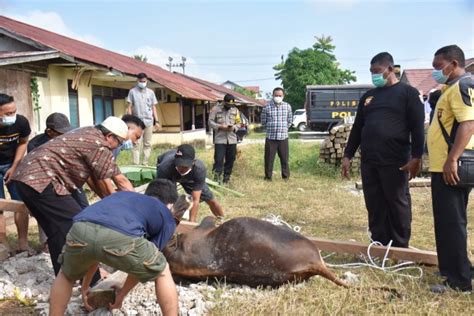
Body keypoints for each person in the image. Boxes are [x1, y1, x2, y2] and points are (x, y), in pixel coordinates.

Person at [12, 116, 135, 278]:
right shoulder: (99, 145)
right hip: (42, 180)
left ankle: (64, 277)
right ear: (110, 137)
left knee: (57, 231)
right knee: (79, 226)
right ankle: (92, 279)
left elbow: (95, 181)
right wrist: (135, 208)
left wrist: (111, 202)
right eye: (119, 143)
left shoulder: (86, 133)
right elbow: (121, 181)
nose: (117, 147)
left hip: (25, 179)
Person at [49, 179, 192, 315]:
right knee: (162, 270)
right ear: (170, 204)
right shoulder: (166, 215)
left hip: (80, 227)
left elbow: (93, 253)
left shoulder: (123, 196)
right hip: (120, 235)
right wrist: (122, 294)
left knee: (66, 275)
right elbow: (145, 264)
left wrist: (86, 288)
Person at [342, 52, 425, 248]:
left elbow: (417, 128)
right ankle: (379, 243)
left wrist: (417, 157)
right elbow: (357, 128)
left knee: (397, 203)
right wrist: (347, 155)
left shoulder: (408, 94)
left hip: (396, 161)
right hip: (369, 160)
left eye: (377, 71)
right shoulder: (369, 97)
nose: (374, 75)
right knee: (375, 203)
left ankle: (400, 246)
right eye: (371, 72)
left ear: (390, 69)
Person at [427, 45, 473, 293]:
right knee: (447, 222)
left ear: (453, 64)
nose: (436, 71)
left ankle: (459, 281)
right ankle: (453, 268)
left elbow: (468, 124)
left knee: (452, 223)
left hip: (451, 166)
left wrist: (452, 159)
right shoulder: (451, 88)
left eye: (438, 66)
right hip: (443, 165)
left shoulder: (463, 86)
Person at [27, 112, 84, 252]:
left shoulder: (70, 138)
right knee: (46, 211)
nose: (64, 135)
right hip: (48, 182)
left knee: (82, 206)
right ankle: (48, 242)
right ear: (49, 131)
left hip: (70, 178)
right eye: (60, 132)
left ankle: (84, 239)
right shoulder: (35, 144)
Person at [156, 144, 224, 222]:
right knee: (171, 198)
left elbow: (195, 200)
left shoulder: (199, 169)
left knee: (210, 199)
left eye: (185, 166)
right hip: (170, 174)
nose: (182, 169)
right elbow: (163, 198)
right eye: (179, 165)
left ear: (193, 162)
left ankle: (222, 220)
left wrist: (191, 224)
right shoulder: (164, 167)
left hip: (191, 176)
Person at [0, 93, 31, 253]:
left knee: (21, 204)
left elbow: (23, 142)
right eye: (7, 113)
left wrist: (15, 166)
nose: (12, 116)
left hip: (12, 164)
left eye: (14, 111)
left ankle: (23, 243)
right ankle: (4, 244)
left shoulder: (21, 122)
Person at [126, 73, 161, 166]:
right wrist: (130, 122)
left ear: (147, 81)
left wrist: (156, 121)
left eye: (144, 81)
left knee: (147, 143)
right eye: (140, 81)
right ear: (137, 81)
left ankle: (145, 164)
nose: (142, 83)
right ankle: (135, 164)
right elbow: (129, 107)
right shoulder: (132, 92)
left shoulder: (151, 92)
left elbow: (154, 107)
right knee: (136, 143)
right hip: (137, 123)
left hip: (149, 121)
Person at [261, 87, 293, 181]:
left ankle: (285, 176)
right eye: (276, 95)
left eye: (280, 95)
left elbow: (290, 120)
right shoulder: (267, 107)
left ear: (283, 96)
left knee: (284, 159)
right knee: (269, 159)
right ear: (273, 95)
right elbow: (263, 122)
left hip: (283, 137)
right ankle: (268, 177)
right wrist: (271, 128)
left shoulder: (287, 106)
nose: (278, 97)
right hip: (271, 137)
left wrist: (284, 128)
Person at [208, 93, 241, 184]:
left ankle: (226, 179)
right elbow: (210, 122)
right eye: (227, 104)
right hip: (220, 139)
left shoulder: (235, 110)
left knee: (230, 160)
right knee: (218, 160)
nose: (229, 106)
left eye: (231, 105)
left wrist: (234, 127)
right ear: (224, 102)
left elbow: (239, 123)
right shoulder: (215, 109)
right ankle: (216, 179)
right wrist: (219, 126)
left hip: (232, 139)